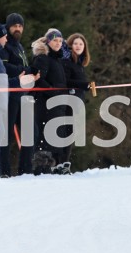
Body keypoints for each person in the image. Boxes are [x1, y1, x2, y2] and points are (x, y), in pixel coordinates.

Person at [0, 21, 38, 176]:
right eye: (4, 36)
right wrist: (12, 82)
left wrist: (17, 81)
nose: (6, 39)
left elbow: (0, 79)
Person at [0, 12, 33, 176]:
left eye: (20, 26)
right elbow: (3, 68)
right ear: (8, 27)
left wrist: (31, 72)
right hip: (10, 95)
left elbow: (24, 67)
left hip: (23, 95)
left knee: (28, 133)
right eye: (14, 26)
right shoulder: (6, 45)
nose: (17, 29)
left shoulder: (19, 46)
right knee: (6, 136)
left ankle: (26, 169)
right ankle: (4, 170)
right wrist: (23, 70)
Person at [31, 28, 69, 173]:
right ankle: (41, 167)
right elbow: (39, 80)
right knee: (44, 136)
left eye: (60, 41)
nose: (58, 43)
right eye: (55, 40)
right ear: (48, 41)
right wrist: (53, 92)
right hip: (46, 104)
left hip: (57, 103)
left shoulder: (57, 59)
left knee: (54, 136)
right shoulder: (43, 58)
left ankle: (50, 166)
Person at [60, 32, 93, 171]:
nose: (78, 46)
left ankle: (64, 162)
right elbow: (66, 81)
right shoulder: (67, 61)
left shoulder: (80, 62)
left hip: (77, 100)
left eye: (81, 44)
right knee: (67, 131)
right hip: (68, 100)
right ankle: (62, 162)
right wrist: (83, 84)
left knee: (71, 132)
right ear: (70, 45)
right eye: (75, 43)